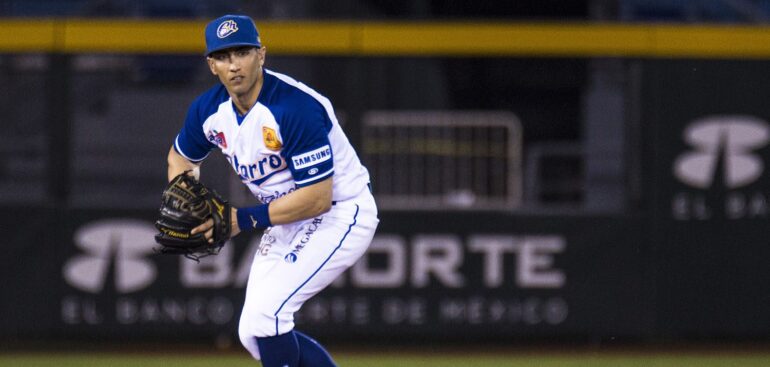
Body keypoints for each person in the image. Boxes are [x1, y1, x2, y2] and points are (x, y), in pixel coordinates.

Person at [166, 14, 379, 366]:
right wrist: (185, 197)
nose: (234, 65)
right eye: (222, 56)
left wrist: (239, 220)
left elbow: (317, 198)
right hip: (285, 215)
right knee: (254, 331)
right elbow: (180, 157)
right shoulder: (208, 110)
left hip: (340, 212)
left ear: (261, 55)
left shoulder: (294, 107)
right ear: (211, 65)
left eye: (242, 53)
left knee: (268, 317)